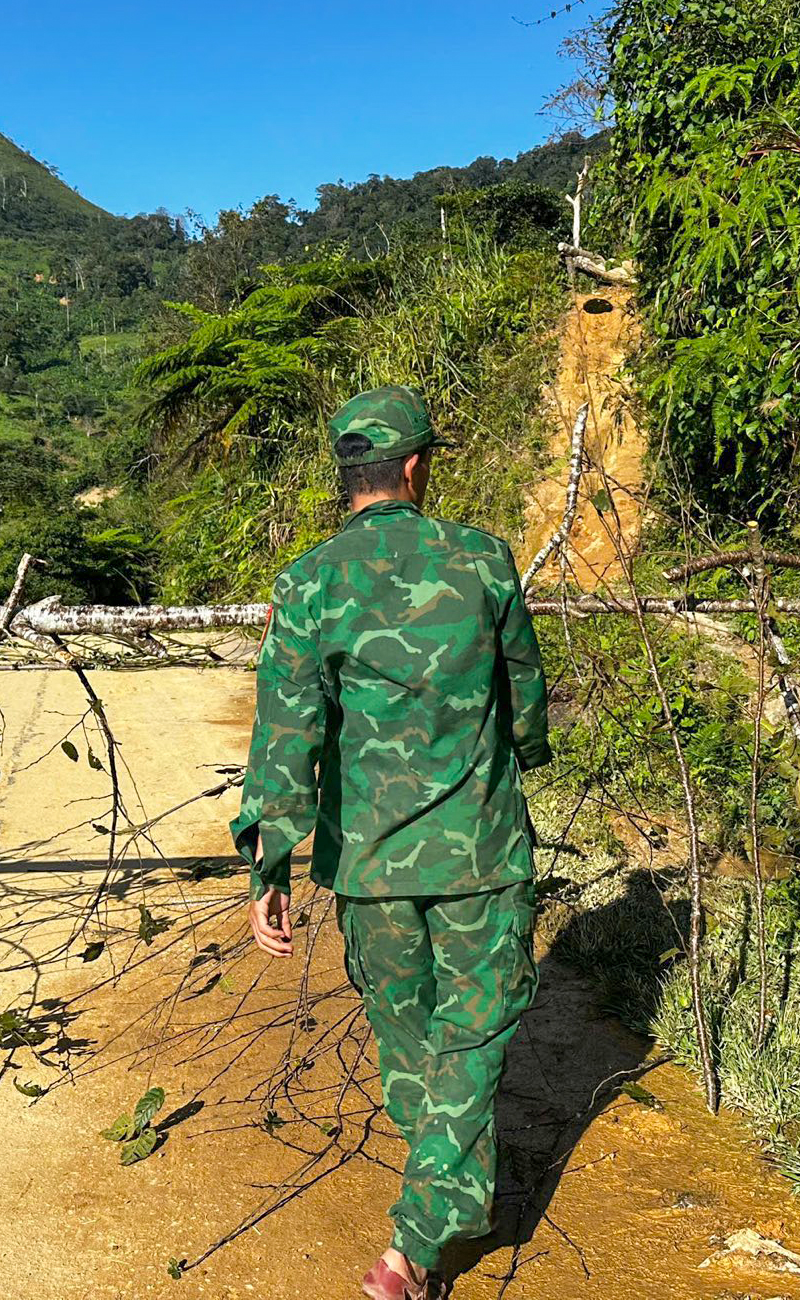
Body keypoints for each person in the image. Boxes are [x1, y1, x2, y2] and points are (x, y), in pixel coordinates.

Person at [231, 384, 551, 1300]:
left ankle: (435, 1202)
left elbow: (285, 733)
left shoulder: (307, 580)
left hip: (368, 865)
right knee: (473, 1034)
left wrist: (272, 864)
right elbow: (523, 701)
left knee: (410, 1037)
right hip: (481, 853)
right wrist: (524, 752)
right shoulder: (483, 560)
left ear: (351, 476)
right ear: (415, 466)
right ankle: (419, 1242)